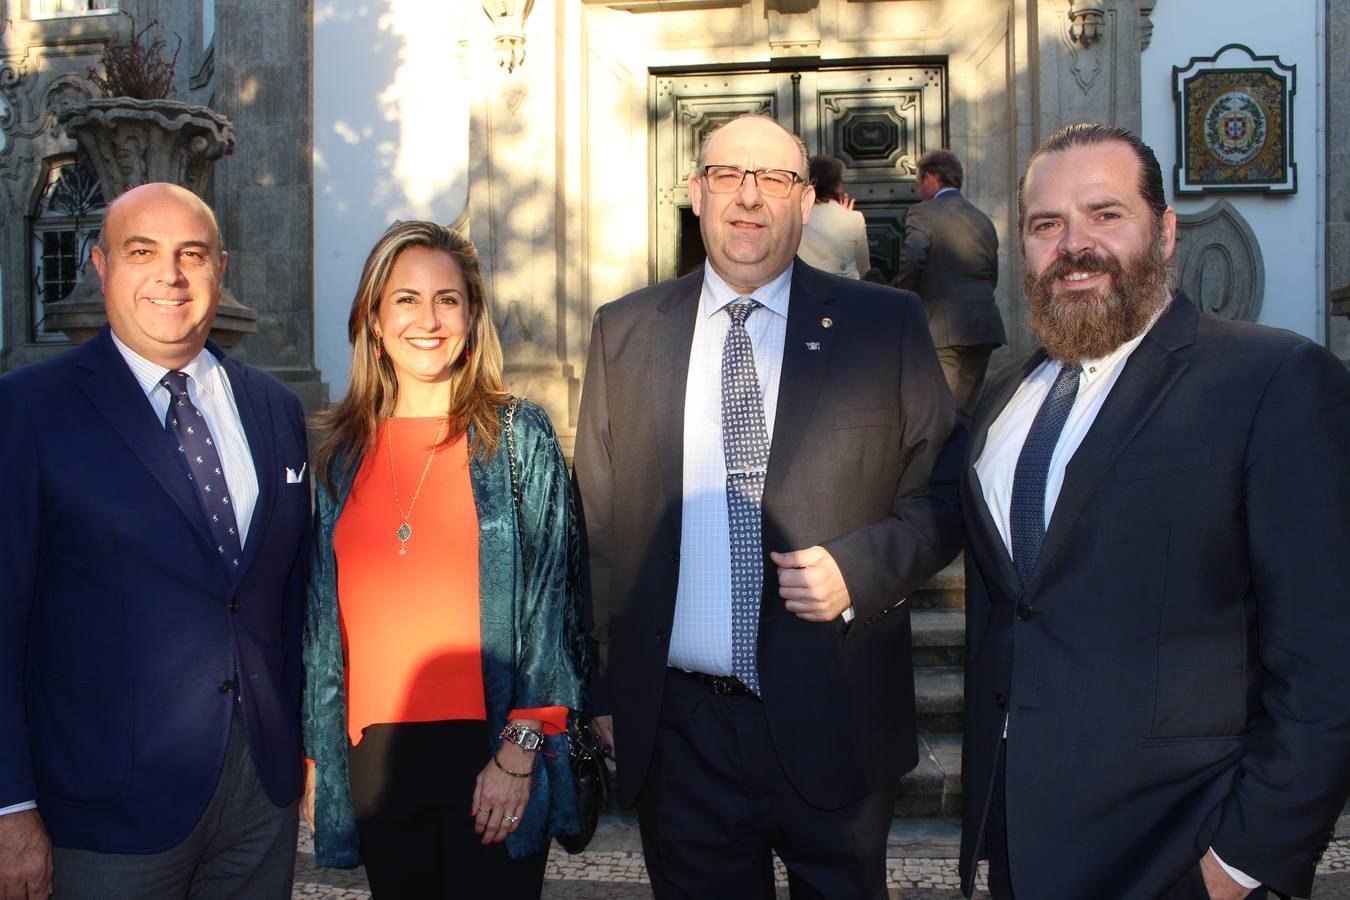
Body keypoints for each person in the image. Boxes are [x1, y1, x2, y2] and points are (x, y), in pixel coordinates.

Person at [574, 113, 965, 898]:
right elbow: (601, 529)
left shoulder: (883, 325)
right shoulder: (624, 332)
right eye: (727, 175)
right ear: (696, 193)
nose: (749, 197)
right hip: (682, 735)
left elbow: (946, 495)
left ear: (806, 201)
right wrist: (606, 688)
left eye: (775, 180)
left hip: (838, 716)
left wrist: (860, 569)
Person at [959, 123, 1350, 900]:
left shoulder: (1272, 378)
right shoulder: (1002, 398)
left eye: (1106, 214)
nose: (1075, 245)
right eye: (1047, 225)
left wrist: (1245, 859)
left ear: (1165, 232)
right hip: (1017, 838)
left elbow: (1325, 652)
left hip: (1181, 847)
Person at [0, 182, 311, 898]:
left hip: (257, 799)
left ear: (221, 269)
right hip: (103, 806)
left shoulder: (276, 409)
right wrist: (10, 806)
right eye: (142, 252)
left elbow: (286, 598)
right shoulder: (27, 412)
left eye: (191, 255)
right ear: (101, 266)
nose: (170, 275)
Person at [302, 221, 585, 899]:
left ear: (472, 318)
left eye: (448, 300)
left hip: (490, 749)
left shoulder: (519, 437)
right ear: (373, 320)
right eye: (405, 299)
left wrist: (519, 754)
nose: (427, 319)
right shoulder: (337, 453)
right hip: (375, 760)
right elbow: (319, 620)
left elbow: (555, 604)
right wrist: (319, 755)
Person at [894, 148, 1006, 421]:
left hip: (943, 328)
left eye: (918, 181)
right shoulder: (982, 219)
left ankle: (946, 464)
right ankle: (964, 461)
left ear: (930, 178)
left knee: (941, 409)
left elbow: (913, 259)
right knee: (967, 410)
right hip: (983, 324)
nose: (919, 189)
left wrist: (902, 300)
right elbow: (991, 272)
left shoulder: (923, 212)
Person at [798, 155, 871, 279]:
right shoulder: (854, 219)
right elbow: (863, 267)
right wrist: (845, 217)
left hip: (805, 291)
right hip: (846, 292)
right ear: (838, 185)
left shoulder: (795, 217)